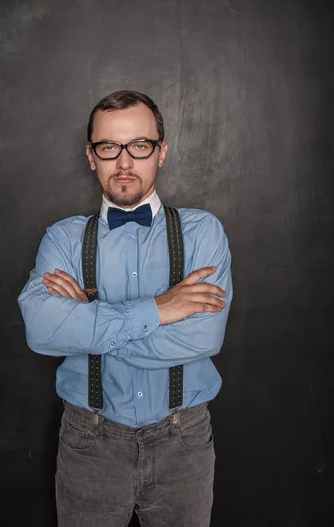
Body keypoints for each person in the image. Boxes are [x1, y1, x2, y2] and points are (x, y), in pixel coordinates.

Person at [18, 90, 233, 527]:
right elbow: (41, 331)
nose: (124, 162)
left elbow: (204, 336)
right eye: (108, 147)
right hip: (89, 442)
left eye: (139, 145)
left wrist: (87, 322)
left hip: (183, 442)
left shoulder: (202, 232)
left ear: (162, 152)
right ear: (91, 156)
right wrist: (159, 309)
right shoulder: (63, 239)